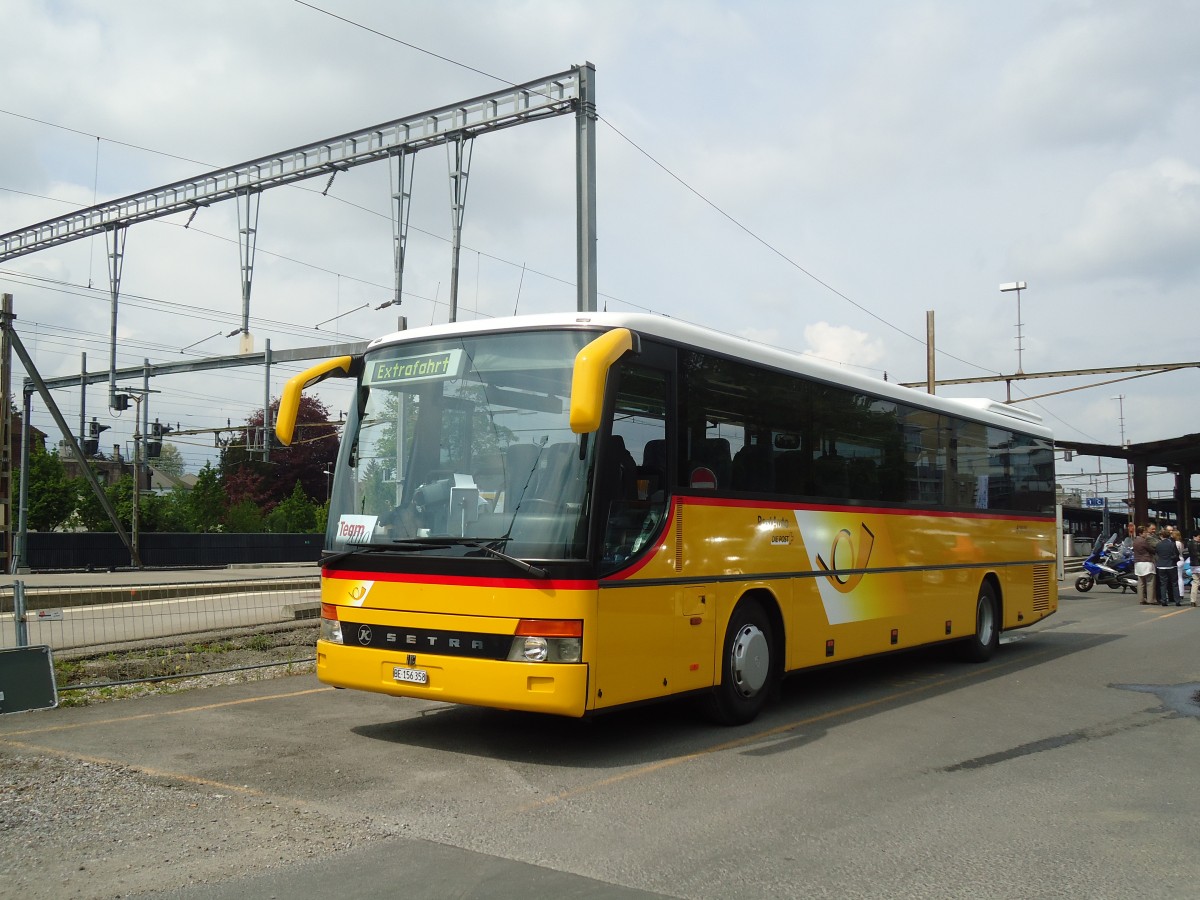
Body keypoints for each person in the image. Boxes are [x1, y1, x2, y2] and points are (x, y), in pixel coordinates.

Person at [1154, 526, 1181, 606]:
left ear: (1161, 536)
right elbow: (1176, 554)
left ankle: (1164, 600)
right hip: (1171, 565)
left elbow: (1157, 553)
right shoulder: (1172, 544)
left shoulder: (1158, 545)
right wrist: (1174, 560)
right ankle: (1177, 601)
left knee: (1163, 584)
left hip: (1161, 565)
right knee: (1174, 583)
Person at [1131, 525, 1156, 605]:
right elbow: (1151, 550)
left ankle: (1141, 599)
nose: (1146, 534)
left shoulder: (1135, 541)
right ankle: (1150, 599)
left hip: (1138, 563)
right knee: (1150, 582)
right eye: (1145, 532)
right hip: (1146, 562)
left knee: (1140, 582)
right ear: (1141, 533)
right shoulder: (1143, 541)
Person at [1189, 528, 1200, 607]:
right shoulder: (1198, 544)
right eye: (1199, 536)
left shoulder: (1189, 543)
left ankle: (1193, 600)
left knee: (1195, 582)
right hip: (1199, 564)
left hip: (1193, 565)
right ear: (1195, 536)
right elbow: (1198, 555)